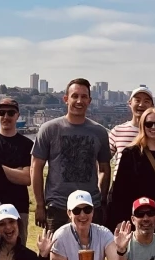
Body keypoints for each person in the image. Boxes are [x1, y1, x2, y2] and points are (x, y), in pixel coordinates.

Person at [31, 78, 111, 231]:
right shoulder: (49, 129)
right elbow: (36, 168)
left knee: (90, 254)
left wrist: (101, 200)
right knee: (54, 253)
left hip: (90, 207)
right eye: (75, 96)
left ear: (89, 100)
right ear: (66, 99)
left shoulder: (99, 132)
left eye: (84, 96)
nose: (79, 101)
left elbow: (105, 169)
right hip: (58, 207)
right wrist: (40, 205)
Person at [107, 107, 155, 244]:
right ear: (143, 126)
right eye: (149, 124)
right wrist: (120, 220)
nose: (153, 127)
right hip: (139, 218)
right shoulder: (131, 154)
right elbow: (119, 192)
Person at [0, 96, 34, 241]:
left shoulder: (27, 145)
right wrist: (15, 171)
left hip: (19, 207)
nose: (6, 116)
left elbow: (27, 178)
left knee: (18, 253)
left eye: (10, 113)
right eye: (2, 112)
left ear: (17, 115)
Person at [108, 85, 155, 175]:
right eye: (137, 100)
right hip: (121, 185)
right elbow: (103, 162)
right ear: (130, 103)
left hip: (148, 186)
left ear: (152, 106)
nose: (141, 104)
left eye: (146, 101)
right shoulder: (117, 131)